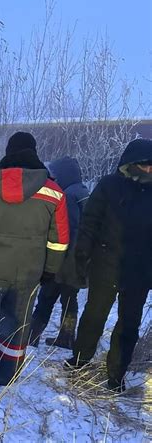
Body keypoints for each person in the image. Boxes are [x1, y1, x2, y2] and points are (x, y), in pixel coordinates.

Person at [0, 132, 69, 385]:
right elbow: (59, 241)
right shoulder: (54, 192)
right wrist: (49, 271)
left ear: (8, 152)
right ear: (34, 152)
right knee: (17, 322)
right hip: (27, 273)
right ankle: (5, 374)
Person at [65, 139, 152, 392]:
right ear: (131, 164)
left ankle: (116, 375)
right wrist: (81, 256)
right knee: (94, 315)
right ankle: (79, 361)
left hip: (140, 271)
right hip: (106, 264)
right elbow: (89, 223)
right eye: (145, 165)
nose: (149, 170)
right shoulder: (109, 186)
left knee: (129, 325)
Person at [29, 156, 89, 349]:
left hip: (65, 261)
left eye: (56, 174)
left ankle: (31, 336)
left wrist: (54, 261)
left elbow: (67, 230)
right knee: (70, 300)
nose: (54, 178)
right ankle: (66, 338)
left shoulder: (68, 195)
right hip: (79, 260)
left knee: (46, 297)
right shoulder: (83, 191)